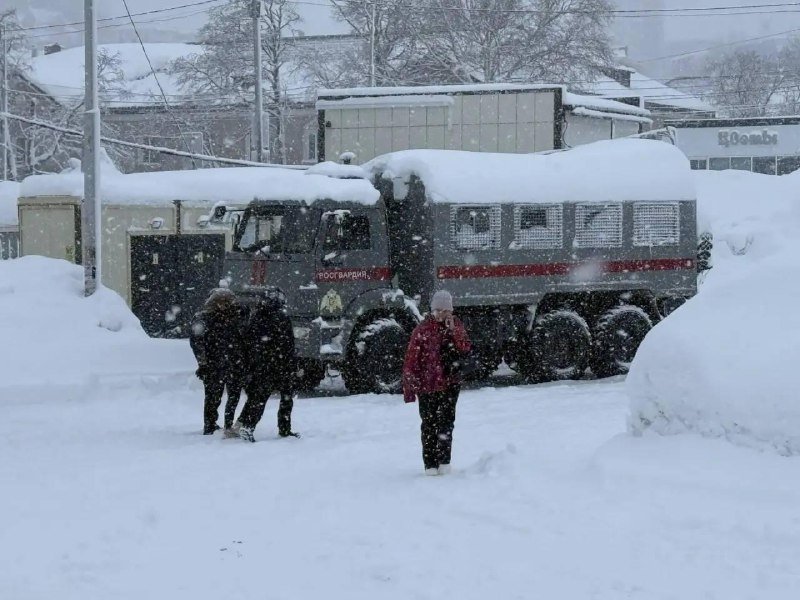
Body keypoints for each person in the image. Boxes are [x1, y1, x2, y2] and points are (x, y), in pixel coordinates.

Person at [402, 290, 471, 476]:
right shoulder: (422, 330)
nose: (441, 314)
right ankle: (430, 465)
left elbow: (465, 347)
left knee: (447, 423)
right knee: (429, 423)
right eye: (438, 310)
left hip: (450, 383)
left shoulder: (456, 326)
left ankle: (445, 462)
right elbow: (411, 360)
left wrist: (453, 331)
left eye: (445, 310)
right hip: (427, 385)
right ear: (432, 310)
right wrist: (409, 387)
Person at [236, 287, 300, 443]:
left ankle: (248, 425)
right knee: (286, 398)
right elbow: (288, 344)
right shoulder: (282, 318)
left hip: (261, 364)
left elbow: (248, 341)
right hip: (281, 363)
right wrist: (292, 363)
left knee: (259, 397)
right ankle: (284, 429)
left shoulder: (256, 317)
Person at [189, 288, 249, 436]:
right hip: (223, 363)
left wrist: (203, 363)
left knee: (218, 397)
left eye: (226, 302)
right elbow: (197, 342)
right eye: (220, 302)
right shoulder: (210, 318)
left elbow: (197, 342)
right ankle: (216, 425)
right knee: (219, 397)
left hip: (223, 363)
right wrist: (203, 363)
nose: (223, 305)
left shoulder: (234, 317)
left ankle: (219, 424)